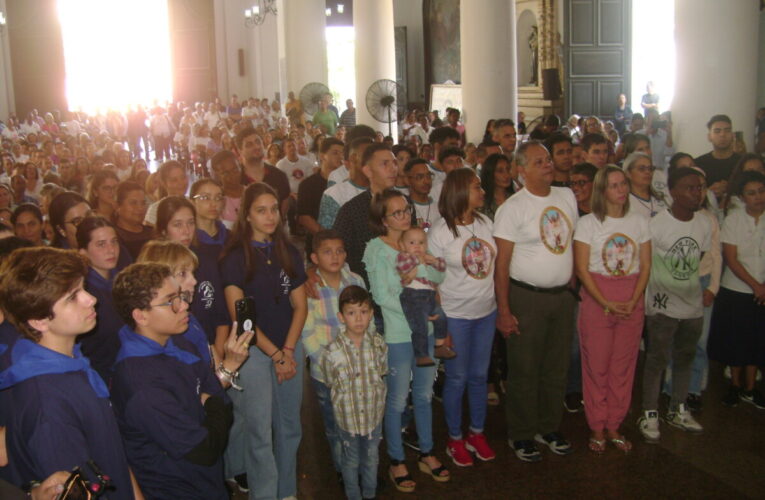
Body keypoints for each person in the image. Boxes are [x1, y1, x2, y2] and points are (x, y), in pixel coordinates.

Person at [0, 247, 137, 499]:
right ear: (39, 321)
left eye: (84, 288)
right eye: (73, 297)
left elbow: (109, 451)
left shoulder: (70, 361)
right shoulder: (48, 404)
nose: (91, 299)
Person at [110, 262, 232, 499]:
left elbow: (219, 396)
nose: (184, 305)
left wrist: (215, 404)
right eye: (171, 301)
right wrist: (215, 408)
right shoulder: (141, 384)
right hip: (179, 488)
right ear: (141, 315)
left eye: (181, 297)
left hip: (207, 481)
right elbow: (204, 450)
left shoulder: (177, 342)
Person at [219, 182, 307, 500]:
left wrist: (287, 350)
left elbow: (301, 305)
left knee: (289, 425)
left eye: (273, 209)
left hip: (289, 345)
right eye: (261, 210)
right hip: (253, 351)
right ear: (247, 216)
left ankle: (287, 491)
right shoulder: (234, 257)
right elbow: (243, 320)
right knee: (259, 432)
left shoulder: (288, 251)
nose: (270, 216)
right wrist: (275, 355)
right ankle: (265, 494)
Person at [493, 140, 578, 462]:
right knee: (525, 370)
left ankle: (548, 426)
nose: (547, 164)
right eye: (539, 161)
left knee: (556, 368)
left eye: (548, 158)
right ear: (521, 170)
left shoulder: (566, 196)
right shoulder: (513, 208)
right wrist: (504, 310)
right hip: (527, 297)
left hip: (561, 297)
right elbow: (501, 264)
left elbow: (570, 243)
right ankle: (522, 433)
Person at [363, 188, 450, 492]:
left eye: (406, 210)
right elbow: (382, 296)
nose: (404, 216)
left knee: (425, 395)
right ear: (382, 219)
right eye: (396, 212)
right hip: (400, 333)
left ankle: (426, 451)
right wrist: (417, 314)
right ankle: (396, 459)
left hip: (426, 331)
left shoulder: (417, 239)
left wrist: (427, 259)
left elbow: (438, 279)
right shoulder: (377, 249)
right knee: (398, 399)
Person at [573, 166, 651, 453]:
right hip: (597, 299)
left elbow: (645, 265)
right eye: (615, 185)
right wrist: (605, 302)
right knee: (597, 366)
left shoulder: (640, 221)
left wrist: (633, 299)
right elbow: (582, 269)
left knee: (623, 366)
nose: (622, 190)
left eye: (623, 184)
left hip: (631, 298)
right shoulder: (588, 224)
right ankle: (596, 426)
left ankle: (615, 423)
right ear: (602, 191)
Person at [428, 168, 498, 466]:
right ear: (458, 192)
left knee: (479, 377)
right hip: (455, 314)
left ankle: (477, 432)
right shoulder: (440, 232)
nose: (482, 191)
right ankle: (455, 438)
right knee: (456, 378)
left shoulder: (485, 223)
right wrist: (441, 322)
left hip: (486, 312)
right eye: (475, 187)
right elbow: (431, 282)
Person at [638, 167, 710, 442]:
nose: (697, 193)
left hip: (691, 305)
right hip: (662, 305)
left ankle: (679, 407)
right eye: (690, 188)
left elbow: (697, 257)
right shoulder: (657, 225)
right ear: (672, 192)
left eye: (700, 187)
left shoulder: (703, 223)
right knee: (656, 360)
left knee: (685, 358)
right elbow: (646, 263)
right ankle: (649, 411)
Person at [299, 230, 367, 484]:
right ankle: (343, 470)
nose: (335, 256)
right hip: (326, 371)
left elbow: (366, 320)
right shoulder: (311, 288)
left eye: (339, 251)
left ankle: (359, 465)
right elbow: (308, 331)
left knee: (357, 419)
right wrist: (327, 362)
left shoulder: (356, 281)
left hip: (357, 366)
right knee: (335, 424)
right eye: (327, 252)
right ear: (314, 258)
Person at [320, 285, 387, 500]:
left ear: (371, 314)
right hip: (347, 420)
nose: (358, 318)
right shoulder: (332, 352)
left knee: (371, 459)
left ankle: (369, 494)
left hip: (373, 417)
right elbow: (331, 382)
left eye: (364, 312)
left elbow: (382, 372)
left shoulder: (379, 345)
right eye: (351, 313)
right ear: (341, 316)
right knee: (350, 461)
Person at [708, 171, 765, 408]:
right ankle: (735, 385)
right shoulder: (733, 219)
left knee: (757, 341)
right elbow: (731, 259)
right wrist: (755, 286)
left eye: (761, 191)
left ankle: (751, 389)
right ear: (742, 197)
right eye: (751, 193)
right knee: (735, 341)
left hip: (762, 290)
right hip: (737, 289)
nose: (758, 197)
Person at [153, 196, 230, 356]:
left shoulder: (206, 260)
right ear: (163, 230)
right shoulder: (153, 269)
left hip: (212, 349)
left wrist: (218, 354)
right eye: (177, 224)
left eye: (190, 222)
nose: (186, 231)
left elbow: (222, 317)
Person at [75, 215, 125, 382]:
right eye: (101, 244)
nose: (111, 250)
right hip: (101, 374)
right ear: (83, 252)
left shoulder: (121, 280)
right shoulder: (83, 293)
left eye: (114, 241)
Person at [395, 226, 452, 366]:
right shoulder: (403, 256)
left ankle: (439, 347)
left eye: (421, 243)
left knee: (442, 317)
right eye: (412, 243)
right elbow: (404, 267)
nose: (417, 247)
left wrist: (433, 260)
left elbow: (442, 266)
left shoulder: (427, 256)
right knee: (420, 326)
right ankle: (421, 355)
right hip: (413, 296)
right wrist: (420, 261)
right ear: (402, 245)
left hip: (429, 295)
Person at [297, 137, 344, 255]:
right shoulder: (308, 184)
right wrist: (327, 238)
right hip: (318, 244)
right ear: (322, 156)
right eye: (335, 153)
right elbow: (304, 217)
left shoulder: (346, 182)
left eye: (342, 153)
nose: (340, 156)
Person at [695, 114, 740, 205]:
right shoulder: (698, 163)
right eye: (717, 131)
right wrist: (708, 192)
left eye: (727, 131)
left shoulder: (743, 162)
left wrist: (730, 188)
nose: (722, 135)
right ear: (709, 136)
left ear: (732, 135)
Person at [113, 181, 153, 260]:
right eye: (133, 203)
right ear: (117, 206)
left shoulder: (152, 233)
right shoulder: (114, 237)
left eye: (143, 203)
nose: (140, 208)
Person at [623, 152, 668, 219]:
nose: (647, 172)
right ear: (628, 173)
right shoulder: (624, 202)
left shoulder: (661, 197)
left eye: (650, 169)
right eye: (641, 169)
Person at [144, 160, 189, 226]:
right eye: (174, 180)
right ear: (164, 183)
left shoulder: (194, 203)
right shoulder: (156, 210)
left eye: (183, 177)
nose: (181, 183)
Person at [190, 178, 228, 248]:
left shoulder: (232, 239)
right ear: (192, 202)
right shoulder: (188, 239)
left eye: (218, 198)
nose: (213, 204)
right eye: (205, 198)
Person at [211, 150, 244, 228]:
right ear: (217, 175)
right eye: (225, 173)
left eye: (235, 170)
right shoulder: (216, 200)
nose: (232, 175)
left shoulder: (252, 193)